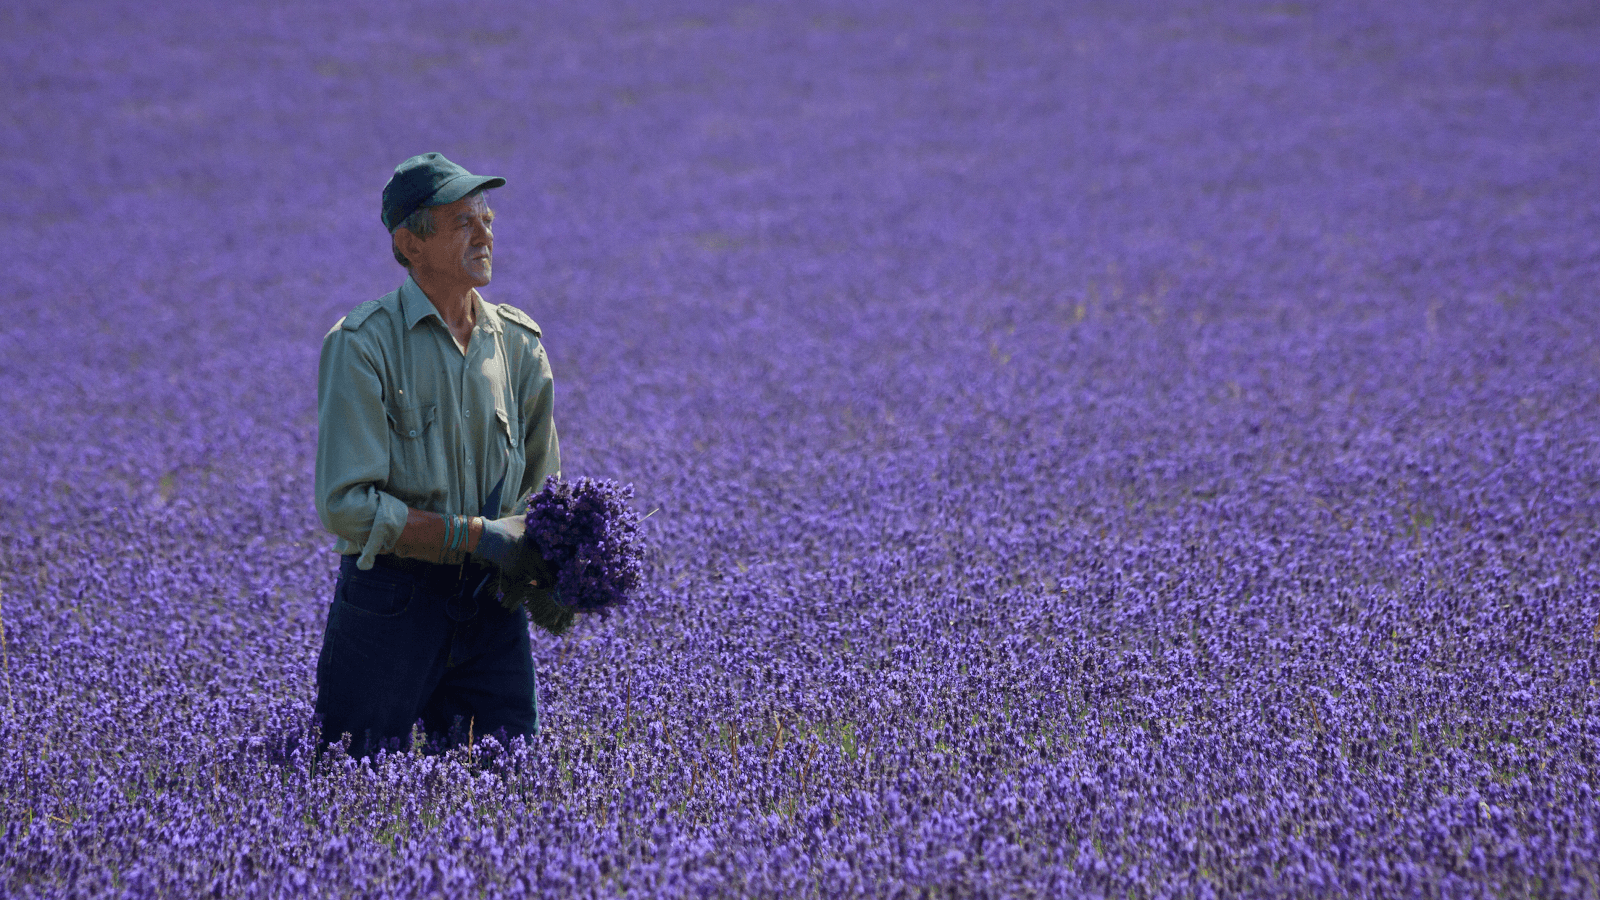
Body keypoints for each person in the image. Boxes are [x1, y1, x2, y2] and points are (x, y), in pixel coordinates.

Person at [313, 152, 560, 755]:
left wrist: (553, 550)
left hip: (493, 609)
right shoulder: (362, 346)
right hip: (391, 608)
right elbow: (347, 507)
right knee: (354, 789)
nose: (485, 234)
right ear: (409, 242)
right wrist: (472, 535)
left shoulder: (519, 346)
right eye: (462, 222)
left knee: (509, 794)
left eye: (487, 218)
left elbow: (546, 488)